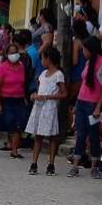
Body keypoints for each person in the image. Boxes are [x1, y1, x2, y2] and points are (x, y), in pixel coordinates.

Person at [69, 36, 102, 179]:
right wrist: (77, 104)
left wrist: (98, 107)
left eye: (84, 49)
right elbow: (84, 84)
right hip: (82, 102)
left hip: (93, 105)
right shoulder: (88, 62)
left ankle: (95, 167)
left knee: (94, 136)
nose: (82, 51)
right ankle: (75, 166)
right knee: (80, 134)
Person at [26, 47, 66, 175]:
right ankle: (34, 163)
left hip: (50, 107)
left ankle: (51, 163)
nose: (42, 61)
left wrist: (48, 97)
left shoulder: (58, 75)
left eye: (43, 58)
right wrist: (35, 95)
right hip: (39, 106)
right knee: (38, 135)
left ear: (48, 59)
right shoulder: (43, 74)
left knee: (51, 136)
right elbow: (40, 90)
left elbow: (64, 94)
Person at [0, 43, 26, 158]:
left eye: (15, 52)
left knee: (17, 125)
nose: (14, 55)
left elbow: (22, 83)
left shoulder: (21, 66)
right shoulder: (2, 67)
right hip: (5, 99)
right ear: (6, 54)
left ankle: (14, 150)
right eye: (11, 53)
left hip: (18, 99)